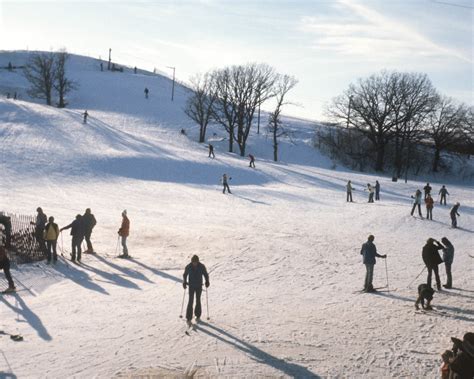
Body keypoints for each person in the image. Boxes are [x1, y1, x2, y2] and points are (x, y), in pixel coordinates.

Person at [183, 255, 209, 325]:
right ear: (191, 261)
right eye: (193, 262)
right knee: (190, 301)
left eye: (196, 262)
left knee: (198, 300)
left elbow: (206, 274)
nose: (194, 263)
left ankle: (197, 315)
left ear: (198, 261)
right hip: (191, 286)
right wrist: (184, 282)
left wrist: (207, 281)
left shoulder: (201, 266)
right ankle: (188, 317)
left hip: (198, 286)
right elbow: (185, 274)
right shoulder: (188, 266)